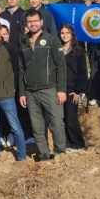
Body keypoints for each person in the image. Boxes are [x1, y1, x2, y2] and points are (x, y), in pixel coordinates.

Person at [18, 9, 68, 160]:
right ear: (26, 24)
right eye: (30, 21)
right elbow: (21, 69)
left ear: (41, 22)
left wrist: (61, 90)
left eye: (35, 21)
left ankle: (60, 152)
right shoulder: (23, 41)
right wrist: (22, 92)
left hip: (50, 89)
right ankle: (44, 153)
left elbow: (61, 66)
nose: (33, 24)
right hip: (30, 92)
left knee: (57, 122)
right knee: (37, 126)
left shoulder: (51, 39)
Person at [0, 20, 28, 161]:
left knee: (15, 125)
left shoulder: (10, 48)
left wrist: (14, 88)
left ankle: (21, 155)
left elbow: (17, 70)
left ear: (0, 32)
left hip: (6, 94)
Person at [59, 25, 87, 152]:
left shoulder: (79, 51)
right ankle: (68, 143)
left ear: (72, 35)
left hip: (72, 90)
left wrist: (79, 91)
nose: (64, 35)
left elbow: (82, 73)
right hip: (60, 89)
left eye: (67, 33)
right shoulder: (57, 50)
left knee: (71, 118)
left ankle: (78, 143)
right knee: (63, 118)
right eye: (62, 33)